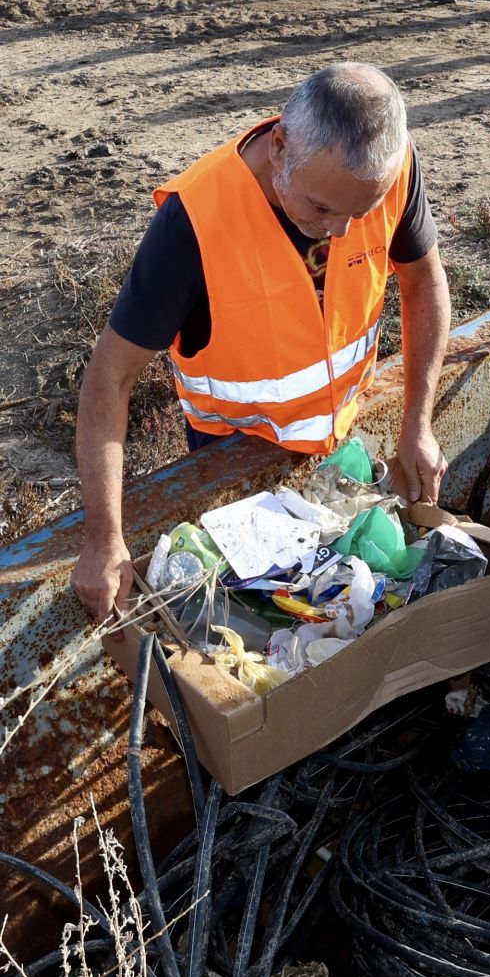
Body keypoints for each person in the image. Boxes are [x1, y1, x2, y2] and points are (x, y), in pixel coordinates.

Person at [72, 64, 453, 622]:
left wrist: (417, 421)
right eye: (322, 208)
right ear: (279, 147)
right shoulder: (195, 222)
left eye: (361, 211)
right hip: (232, 463)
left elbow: (424, 280)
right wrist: (104, 537)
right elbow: (109, 377)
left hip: (340, 443)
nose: (341, 231)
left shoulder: (388, 170)